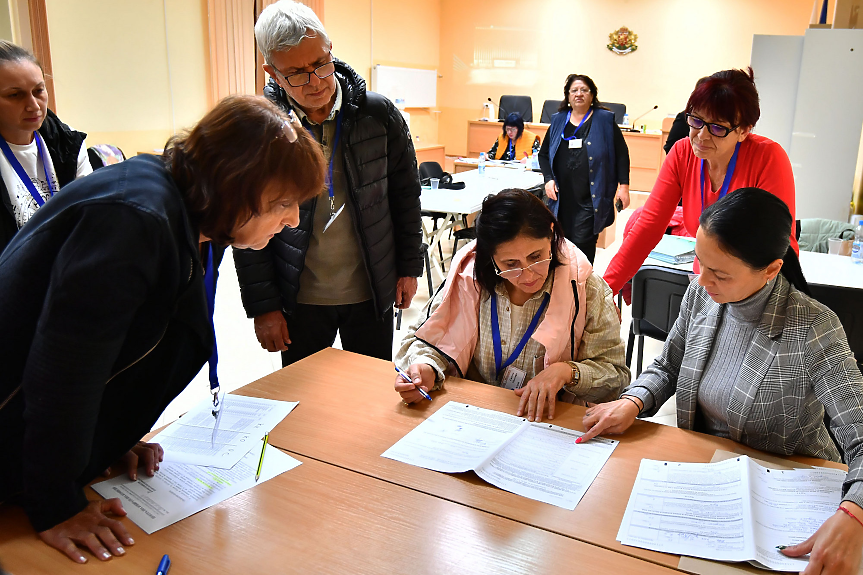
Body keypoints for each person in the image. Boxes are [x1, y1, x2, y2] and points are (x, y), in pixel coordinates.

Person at [0, 95, 326, 563]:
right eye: (282, 203)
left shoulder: (186, 213)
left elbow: (118, 347)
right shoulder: (135, 219)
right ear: (236, 185)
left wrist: (108, 435)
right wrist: (55, 506)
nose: (293, 219)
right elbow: (62, 374)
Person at [582, 188, 863, 575]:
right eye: (700, 263)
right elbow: (669, 365)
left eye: (720, 273)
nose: (703, 279)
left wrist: (855, 514)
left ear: (770, 270)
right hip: (710, 479)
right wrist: (633, 401)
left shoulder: (814, 327)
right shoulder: (702, 293)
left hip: (786, 491)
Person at [234, 0, 423, 366]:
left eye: (320, 64)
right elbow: (247, 224)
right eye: (297, 73)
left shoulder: (379, 114)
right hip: (299, 297)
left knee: (370, 400)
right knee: (303, 403)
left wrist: (408, 267)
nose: (315, 81)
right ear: (272, 72)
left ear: (330, 49)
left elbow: (406, 195)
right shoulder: (258, 129)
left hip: (371, 289)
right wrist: (264, 307)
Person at [395, 189, 629, 421]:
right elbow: (420, 340)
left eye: (536, 256)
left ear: (551, 234)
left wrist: (567, 372)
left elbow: (615, 378)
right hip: (472, 414)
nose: (527, 275)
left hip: (548, 422)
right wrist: (425, 367)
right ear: (490, 256)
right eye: (510, 263)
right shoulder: (467, 277)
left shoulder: (585, 288)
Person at [604, 67, 798, 296]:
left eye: (718, 128)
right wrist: (605, 291)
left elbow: (779, 244)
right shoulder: (682, 153)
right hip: (705, 283)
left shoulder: (767, 158)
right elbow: (648, 227)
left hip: (753, 292)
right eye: (696, 120)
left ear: (744, 130)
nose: (702, 135)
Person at [0, 41, 92, 254]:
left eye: (38, 90)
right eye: (15, 95)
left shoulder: (67, 142)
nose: (34, 105)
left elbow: (89, 216)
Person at [538, 74, 630, 264]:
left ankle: (582, 288)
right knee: (560, 246)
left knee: (581, 249)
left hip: (591, 199)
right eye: (574, 90)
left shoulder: (604, 120)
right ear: (568, 95)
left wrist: (624, 187)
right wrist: (548, 178)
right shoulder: (557, 120)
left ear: (592, 94)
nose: (578, 94)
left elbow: (622, 154)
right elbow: (544, 154)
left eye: (584, 90)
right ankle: (564, 288)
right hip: (561, 199)